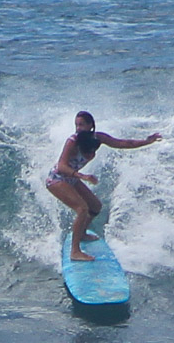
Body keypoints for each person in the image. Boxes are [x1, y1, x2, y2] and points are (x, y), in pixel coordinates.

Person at [45, 111, 162, 261]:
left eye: (81, 125)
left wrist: (147, 141)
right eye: (76, 125)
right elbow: (61, 166)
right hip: (57, 179)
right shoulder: (72, 141)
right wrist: (82, 176)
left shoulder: (98, 138)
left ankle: (82, 234)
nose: (78, 128)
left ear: (91, 126)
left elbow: (123, 143)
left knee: (95, 207)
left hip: (71, 178)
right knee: (82, 209)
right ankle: (75, 251)